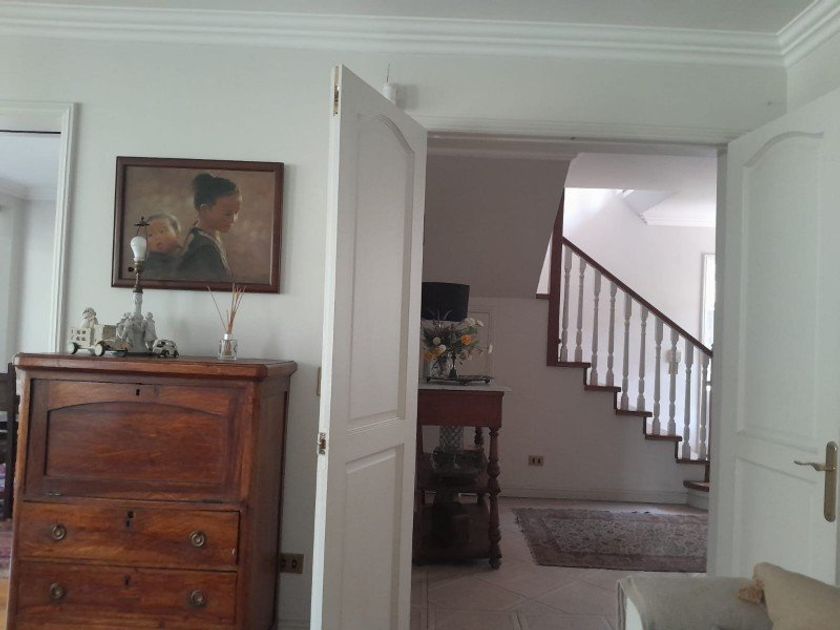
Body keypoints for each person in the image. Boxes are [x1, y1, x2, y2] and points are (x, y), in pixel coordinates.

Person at [178, 173, 240, 282]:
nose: (234, 219)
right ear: (205, 210)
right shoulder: (203, 250)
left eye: (236, 212)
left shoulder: (209, 237)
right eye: (228, 214)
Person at [143, 213, 183, 280]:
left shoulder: (186, 254)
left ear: (177, 234)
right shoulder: (150, 265)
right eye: (150, 235)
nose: (156, 237)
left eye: (162, 231)